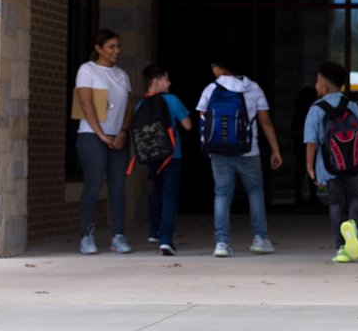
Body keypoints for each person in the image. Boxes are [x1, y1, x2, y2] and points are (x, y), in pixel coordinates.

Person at [196, 58, 284, 257]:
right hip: (248, 150)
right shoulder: (253, 88)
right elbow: (265, 121)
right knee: (255, 192)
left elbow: (203, 118)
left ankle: (221, 243)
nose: (212, 69)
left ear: (222, 68)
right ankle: (260, 238)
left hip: (218, 151)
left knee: (222, 194)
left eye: (214, 65)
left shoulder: (211, 89)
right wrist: (275, 150)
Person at [304, 62, 358, 263]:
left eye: (317, 82)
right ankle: (353, 225)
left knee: (336, 202)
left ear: (323, 87)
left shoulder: (316, 110)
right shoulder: (352, 106)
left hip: (330, 166)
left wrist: (310, 168)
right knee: (356, 197)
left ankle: (341, 247)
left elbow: (311, 143)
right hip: (355, 164)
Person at [74, 30, 135, 255]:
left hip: (118, 137)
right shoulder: (87, 70)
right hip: (92, 136)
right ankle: (87, 236)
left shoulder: (121, 75)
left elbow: (123, 106)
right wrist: (101, 134)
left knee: (118, 187)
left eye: (118, 46)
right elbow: (87, 103)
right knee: (94, 185)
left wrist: (123, 131)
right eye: (111, 47)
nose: (116, 51)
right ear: (99, 48)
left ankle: (119, 236)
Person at [136, 64, 192, 255]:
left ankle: (154, 231)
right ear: (157, 80)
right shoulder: (172, 100)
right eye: (167, 79)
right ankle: (166, 239)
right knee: (169, 195)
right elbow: (188, 125)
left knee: (157, 191)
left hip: (152, 157)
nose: (169, 82)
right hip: (172, 155)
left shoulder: (140, 104)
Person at [292, 86, 323, 207]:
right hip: (305, 143)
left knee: (302, 170)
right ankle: (309, 195)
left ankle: (303, 195)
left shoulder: (301, 109)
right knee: (307, 170)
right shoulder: (312, 110)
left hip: (301, 143)